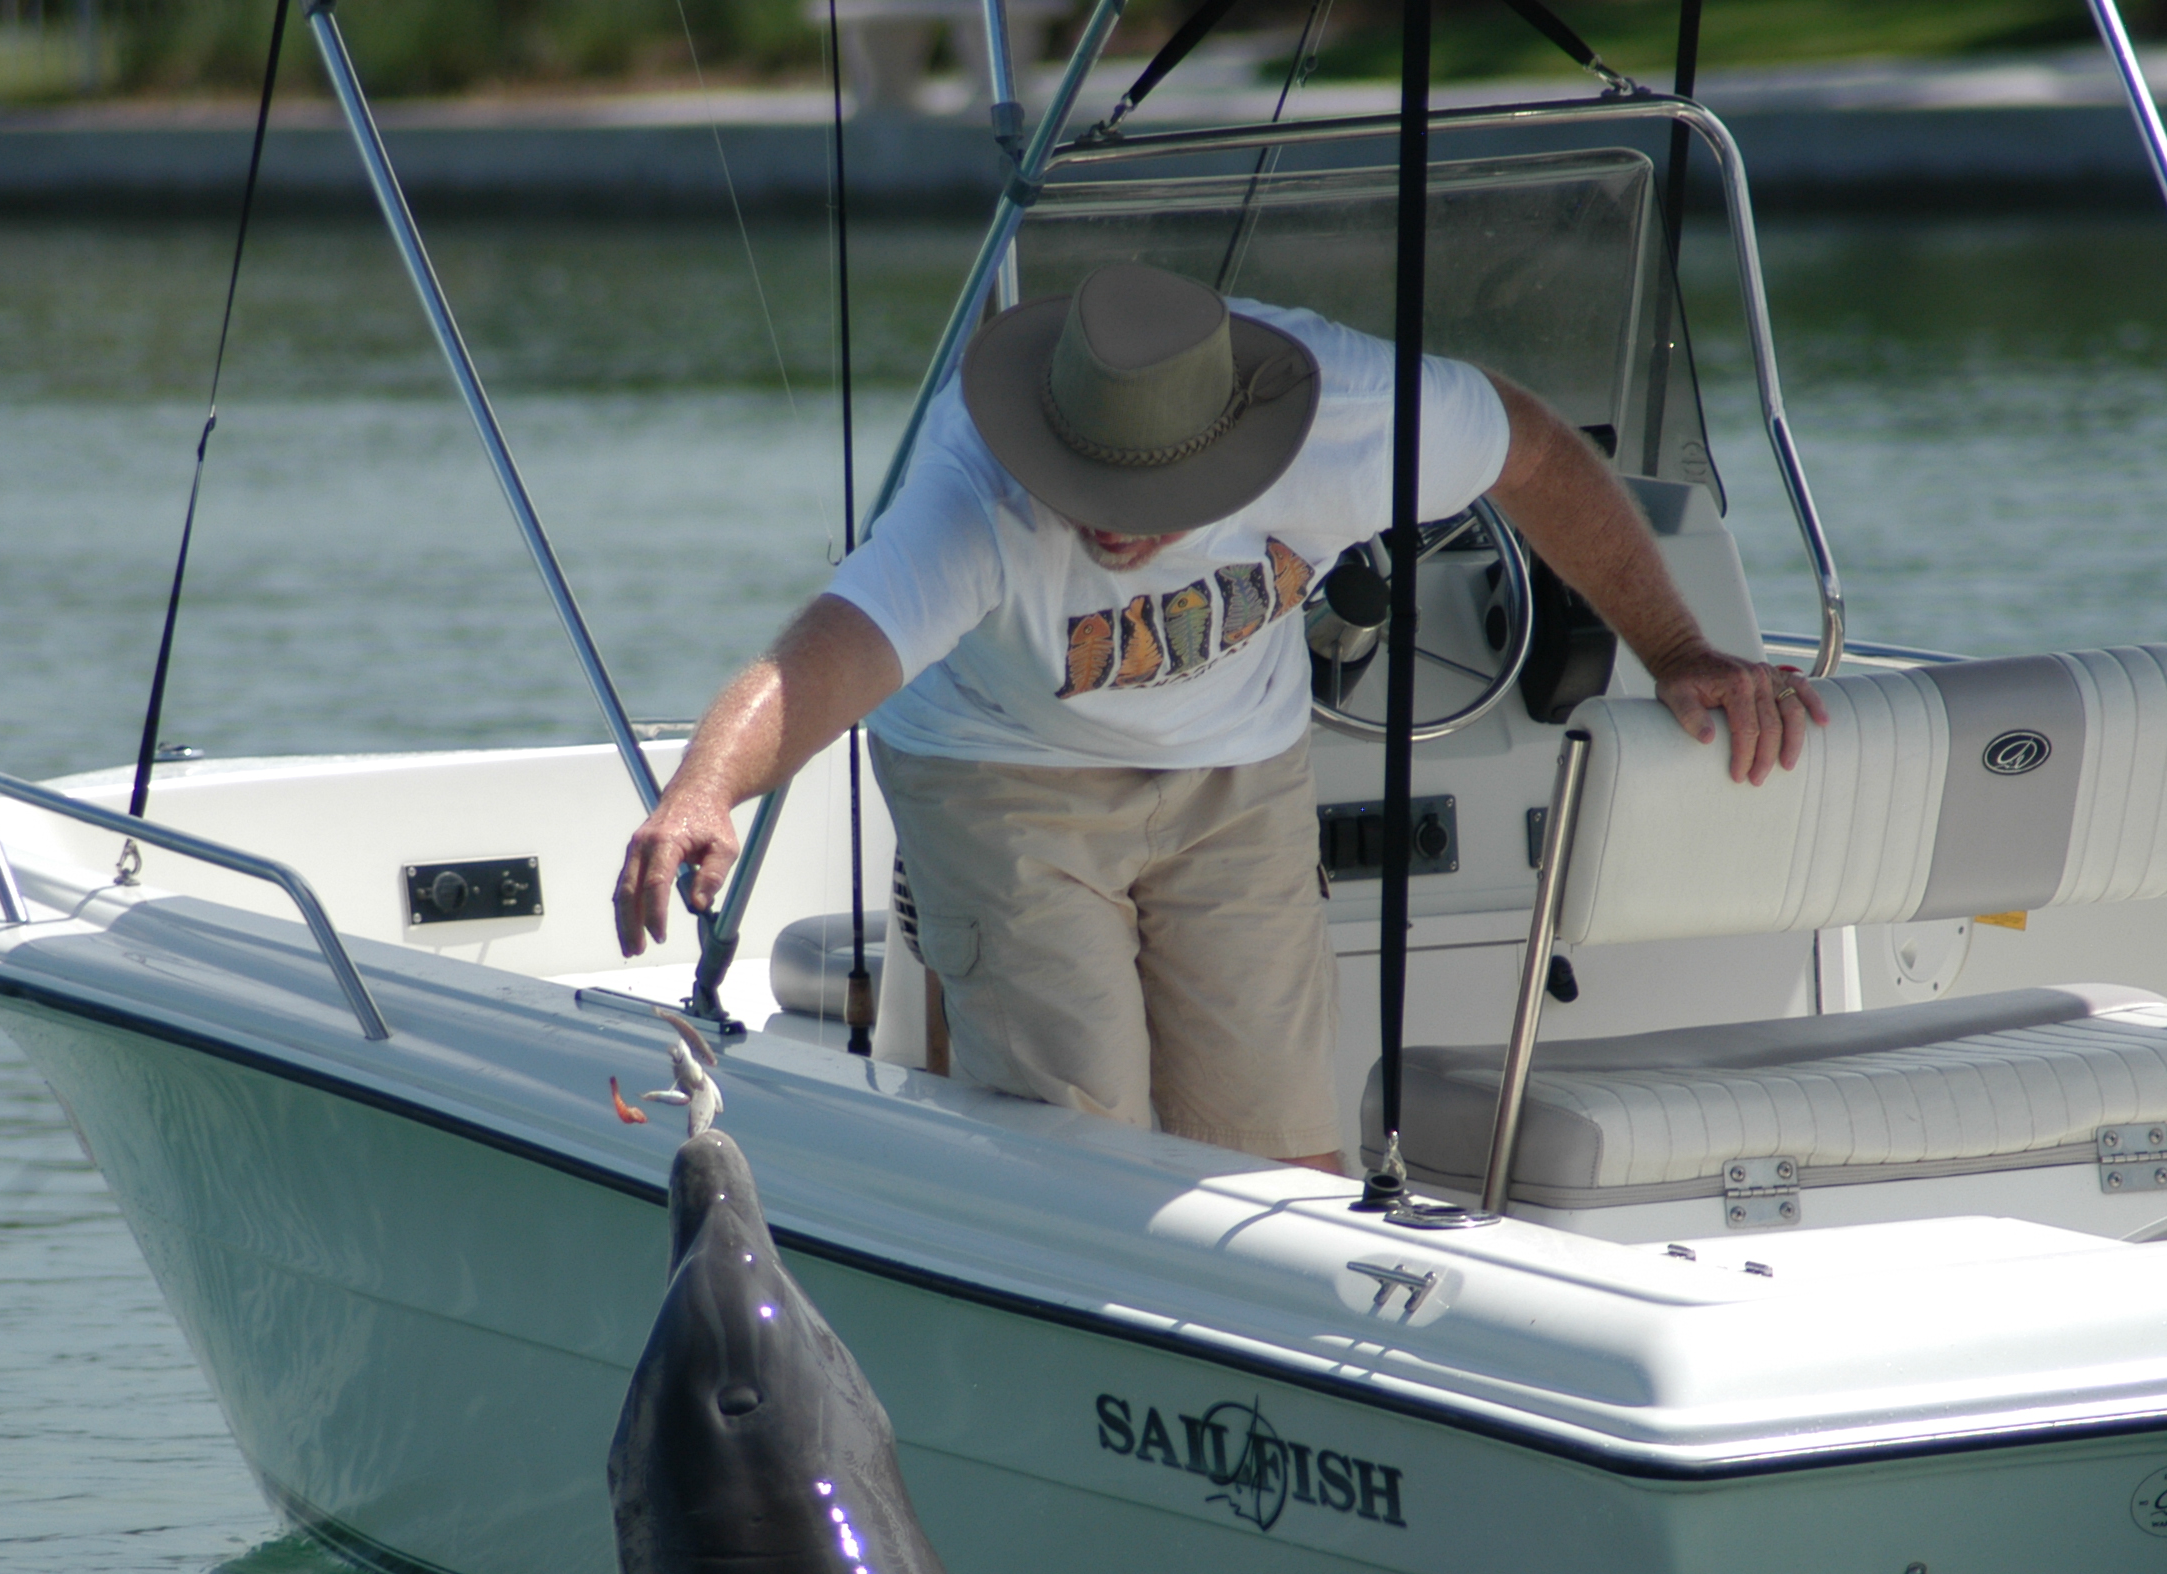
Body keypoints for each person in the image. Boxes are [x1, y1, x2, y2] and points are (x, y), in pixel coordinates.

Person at [612, 261, 1829, 1174]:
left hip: (1237, 764)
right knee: (1081, 1137)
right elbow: (823, 651)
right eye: (1084, 485)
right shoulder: (972, 490)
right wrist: (705, 788)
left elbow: (1538, 456)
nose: (1110, 526)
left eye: (1149, 498)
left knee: (1279, 1149)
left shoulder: (1357, 418)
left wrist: (1675, 648)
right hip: (998, 766)